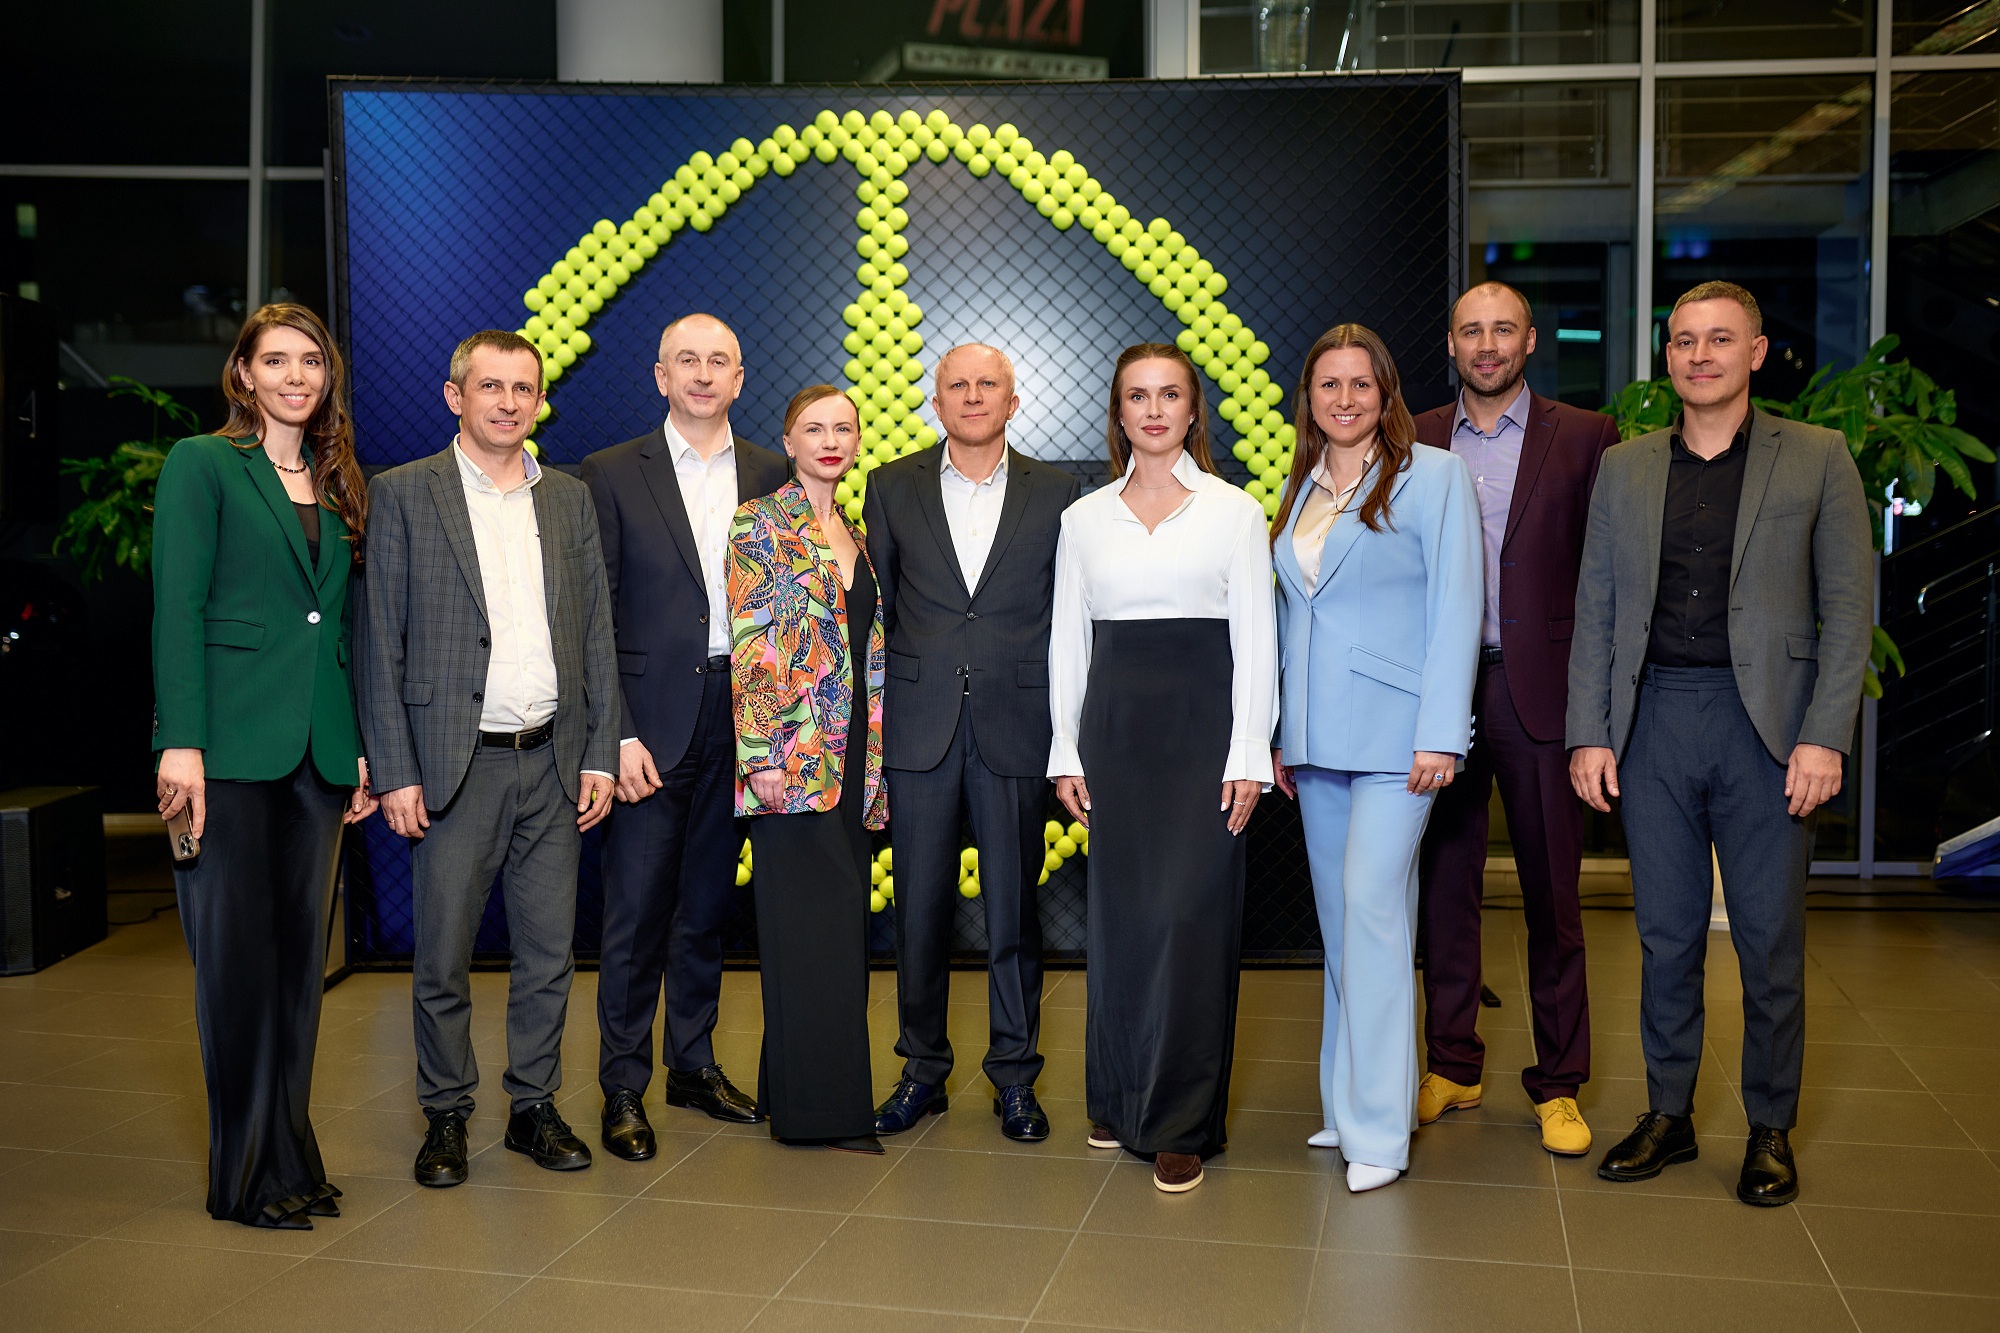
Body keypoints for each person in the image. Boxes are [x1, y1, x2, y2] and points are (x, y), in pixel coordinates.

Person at [1570, 281, 1871, 1207]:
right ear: (1668, 356)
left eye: (1719, 339)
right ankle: (1669, 1114)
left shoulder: (1817, 456)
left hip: (1767, 731)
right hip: (1654, 721)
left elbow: (1848, 609)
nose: (1700, 355)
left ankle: (1769, 1127)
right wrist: (1589, 733)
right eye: (1684, 341)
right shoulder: (1624, 468)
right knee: (1665, 937)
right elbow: (1595, 610)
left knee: (1769, 941)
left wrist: (1824, 736)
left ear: (1757, 351)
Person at [356, 329, 619, 1188]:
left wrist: (601, 751)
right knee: (442, 955)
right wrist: (396, 768)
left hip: (554, 760)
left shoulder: (568, 498)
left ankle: (533, 1106)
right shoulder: (404, 493)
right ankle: (445, 1112)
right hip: (452, 764)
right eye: (491, 386)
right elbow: (378, 640)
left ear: (540, 400)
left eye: (523, 388)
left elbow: (596, 632)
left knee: (549, 955)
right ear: (455, 396)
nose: (509, 402)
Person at [152, 303, 378, 1230]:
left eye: (310, 361)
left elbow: (338, 628)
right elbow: (178, 605)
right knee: (235, 969)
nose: (295, 376)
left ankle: (290, 1157)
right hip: (228, 751)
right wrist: (182, 742)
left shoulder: (335, 479)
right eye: (275, 360)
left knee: (297, 970)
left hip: (317, 753)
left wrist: (355, 743)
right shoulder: (202, 463)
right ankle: (244, 1177)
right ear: (243, 371)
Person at [1049, 342, 1276, 1194]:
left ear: (1192, 410)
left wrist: (1249, 752)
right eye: (1138, 396)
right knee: (1123, 922)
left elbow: (1258, 640)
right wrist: (1065, 748)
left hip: (1203, 736)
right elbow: (1068, 641)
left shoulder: (1234, 512)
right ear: (1119, 411)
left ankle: (1182, 1121)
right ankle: (1117, 1097)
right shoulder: (1083, 519)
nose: (1153, 410)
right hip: (1114, 735)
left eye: (1169, 395)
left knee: (1190, 921)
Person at [1269, 323, 1482, 1194]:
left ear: (1386, 392)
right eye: (1329, 384)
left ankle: (1382, 1132)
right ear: (1310, 398)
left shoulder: (1435, 475)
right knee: (1343, 923)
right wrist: (1280, 732)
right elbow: (1293, 616)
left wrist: (1443, 730)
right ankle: (1347, 1100)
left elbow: (1458, 603)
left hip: (1402, 739)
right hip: (1316, 741)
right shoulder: (1300, 487)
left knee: (1373, 911)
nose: (1345, 398)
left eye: (1362, 383)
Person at [1412, 282, 1621, 1156]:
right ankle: (1453, 1064)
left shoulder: (1587, 436)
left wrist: (1595, 712)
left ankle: (1559, 1082)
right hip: (1438, 693)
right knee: (1444, 890)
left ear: (1530, 340)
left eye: (1503, 328)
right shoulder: (1412, 435)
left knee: (1553, 898)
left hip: (1542, 692)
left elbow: (1605, 576)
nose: (1487, 343)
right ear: (1451, 344)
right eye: (1472, 330)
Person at [579, 314, 786, 1158]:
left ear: (739, 379)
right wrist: (615, 733)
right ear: (660, 376)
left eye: (719, 361)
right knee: (635, 914)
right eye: (686, 360)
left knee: (705, 907)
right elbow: (592, 614)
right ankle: (623, 1085)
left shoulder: (772, 472)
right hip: (647, 724)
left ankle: (692, 1064)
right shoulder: (608, 472)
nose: (703, 374)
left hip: (741, 717)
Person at [863, 344, 1080, 1144]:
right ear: (937, 402)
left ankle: (1014, 1077)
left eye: (989, 384)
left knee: (1013, 913)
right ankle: (922, 1070)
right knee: (918, 911)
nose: (973, 395)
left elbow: (1066, 615)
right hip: (919, 727)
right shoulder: (891, 486)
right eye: (958, 384)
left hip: (1015, 725)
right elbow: (881, 607)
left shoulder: (1058, 492)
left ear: (1014, 401)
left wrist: (1067, 735)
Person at [728, 384, 887, 1153]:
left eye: (843, 428)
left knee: (833, 928)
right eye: (814, 428)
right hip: (790, 758)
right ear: (788, 442)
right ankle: (826, 1114)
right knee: (811, 931)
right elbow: (753, 640)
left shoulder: (855, 530)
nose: (831, 440)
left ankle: (786, 1087)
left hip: (855, 760)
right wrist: (760, 754)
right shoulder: (759, 522)